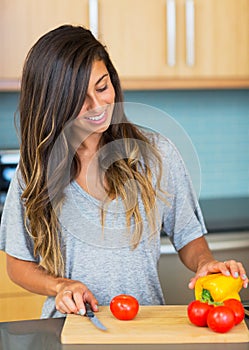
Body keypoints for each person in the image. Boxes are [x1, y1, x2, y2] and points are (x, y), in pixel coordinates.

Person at [0, 25, 247, 319]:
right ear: (54, 102)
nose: (97, 105)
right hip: (68, 330)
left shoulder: (157, 154)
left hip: (144, 326)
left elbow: (188, 235)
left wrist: (205, 262)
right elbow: (18, 264)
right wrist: (61, 285)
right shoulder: (35, 170)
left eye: (102, 87)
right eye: (80, 98)